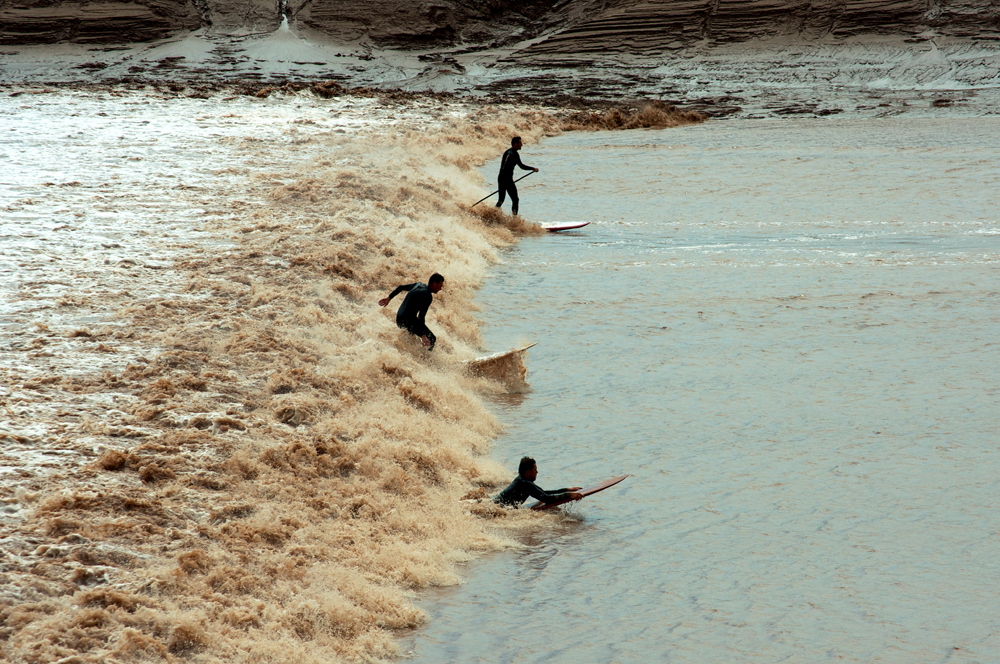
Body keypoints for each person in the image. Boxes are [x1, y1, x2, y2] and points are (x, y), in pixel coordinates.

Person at [379, 273, 444, 350]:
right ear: (434, 284)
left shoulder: (418, 284)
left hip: (399, 318)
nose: (440, 288)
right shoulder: (427, 296)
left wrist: (389, 298)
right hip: (407, 321)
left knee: (411, 334)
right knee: (432, 339)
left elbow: (400, 287)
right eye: (440, 286)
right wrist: (423, 335)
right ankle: (424, 358)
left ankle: (402, 349)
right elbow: (421, 317)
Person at [494, 456, 582, 508]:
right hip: (496, 507)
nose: (537, 472)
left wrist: (567, 490)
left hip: (495, 504)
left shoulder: (523, 481)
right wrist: (569, 495)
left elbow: (543, 493)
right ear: (528, 472)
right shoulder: (525, 484)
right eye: (535, 469)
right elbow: (547, 498)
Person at [495, 136, 538, 217]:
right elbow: (522, 166)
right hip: (507, 180)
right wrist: (533, 169)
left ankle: (492, 215)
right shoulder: (514, 154)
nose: (521, 145)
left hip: (501, 178)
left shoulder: (506, 152)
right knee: (515, 199)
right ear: (515, 144)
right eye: (520, 143)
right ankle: (514, 220)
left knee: (501, 200)